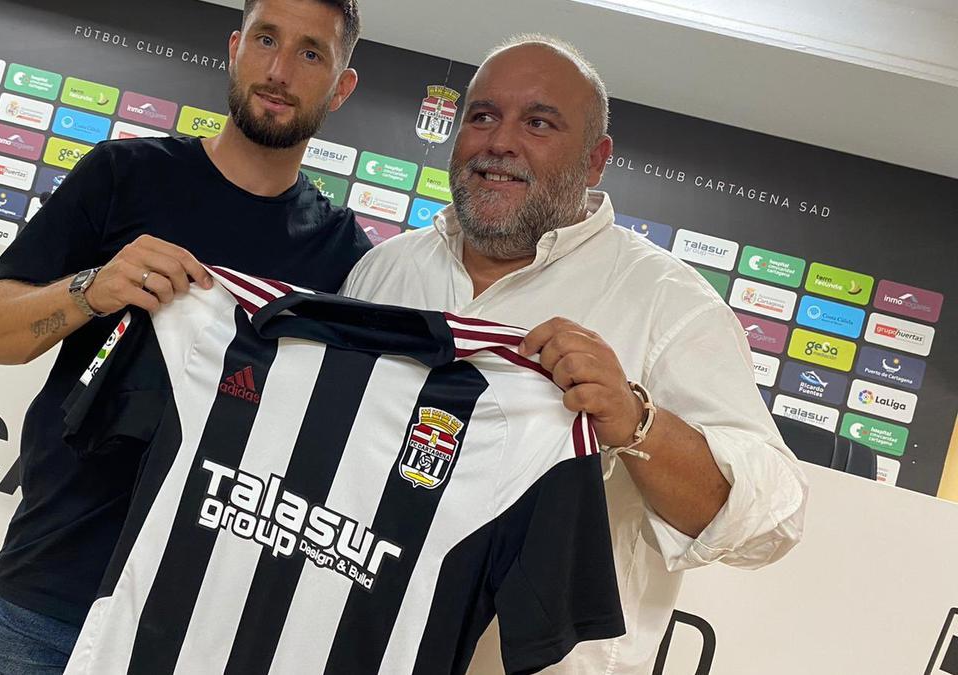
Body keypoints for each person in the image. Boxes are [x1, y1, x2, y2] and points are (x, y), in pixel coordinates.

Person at [341, 35, 808, 674]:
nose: (498, 142)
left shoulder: (670, 304)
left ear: (595, 160)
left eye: (538, 123)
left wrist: (637, 424)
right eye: (482, 116)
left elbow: (772, 521)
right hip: (345, 641)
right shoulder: (382, 273)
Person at [0, 0, 366, 671]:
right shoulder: (123, 175)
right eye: (266, 39)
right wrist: (94, 288)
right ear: (235, 48)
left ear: (342, 87)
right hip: (47, 598)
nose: (280, 68)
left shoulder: (346, 258)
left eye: (311, 52)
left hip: (201, 633)